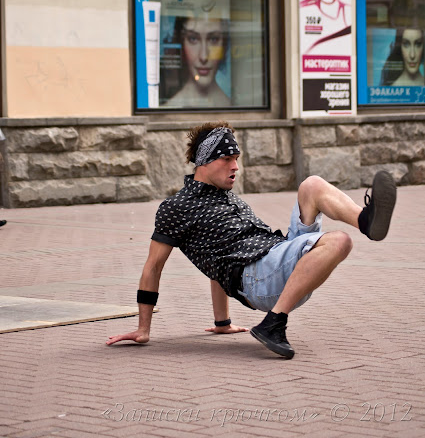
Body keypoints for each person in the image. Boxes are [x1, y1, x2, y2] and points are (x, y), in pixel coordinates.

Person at [106, 121, 397, 359]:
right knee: (339, 241)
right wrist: (143, 329)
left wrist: (222, 323)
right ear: (204, 162)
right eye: (227, 159)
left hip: (278, 261)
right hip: (259, 279)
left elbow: (214, 264)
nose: (235, 166)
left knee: (312, 185)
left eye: (237, 159)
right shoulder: (177, 208)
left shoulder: (228, 198)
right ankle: (274, 323)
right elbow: (153, 266)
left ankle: (366, 222)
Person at [163, 16, 231, 108]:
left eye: (213, 39)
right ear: (182, 43)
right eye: (193, 39)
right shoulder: (169, 109)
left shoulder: (235, 109)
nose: (204, 56)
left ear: (224, 45)